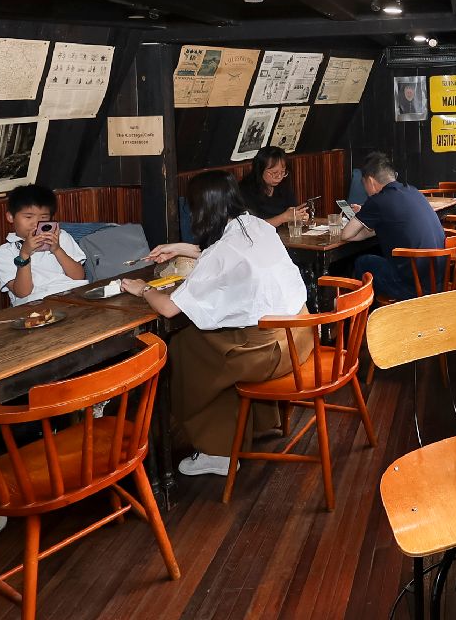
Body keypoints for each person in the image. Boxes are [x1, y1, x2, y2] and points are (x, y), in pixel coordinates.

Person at [120, 172, 312, 478]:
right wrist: (180, 248)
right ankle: (252, 426)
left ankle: (218, 451)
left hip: (269, 354)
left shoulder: (223, 250)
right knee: (209, 344)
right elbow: (225, 254)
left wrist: (143, 289)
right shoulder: (256, 226)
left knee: (183, 349)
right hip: (298, 337)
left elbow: (169, 308)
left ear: (204, 209)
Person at [338, 151, 446, 301]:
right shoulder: (412, 191)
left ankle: (365, 313)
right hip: (438, 281)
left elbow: (346, 234)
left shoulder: (378, 201)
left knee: (363, 262)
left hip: (414, 288)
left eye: (363, 184)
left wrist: (362, 218)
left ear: (370, 181)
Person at [0, 184, 89, 304]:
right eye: (28, 217)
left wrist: (57, 249)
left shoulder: (61, 237)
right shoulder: (2, 254)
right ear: (10, 217)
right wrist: (24, 254)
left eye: (44, 217)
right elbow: (23, 293)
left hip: (73, 295)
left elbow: (79, 277)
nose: (35, 223)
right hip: (35, 304)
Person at [238, 146, 311, 228]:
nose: (279, 177)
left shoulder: (283, 186)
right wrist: (283, 217)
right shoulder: (245, 190)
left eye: (283, 172)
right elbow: (252, 227)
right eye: (274, 173)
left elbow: (292, 211)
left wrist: (300, 216)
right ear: (259, 170)